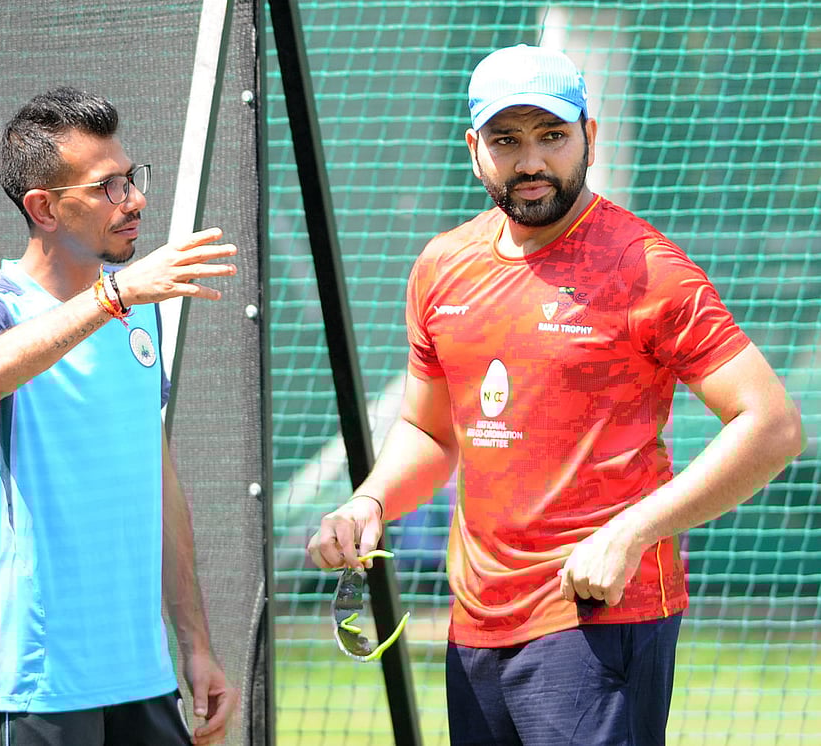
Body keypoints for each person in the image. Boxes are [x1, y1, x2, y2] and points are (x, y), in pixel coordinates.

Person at [307, 44, 804, 745]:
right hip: (476, 623)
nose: (531, 161)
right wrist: (370, 501)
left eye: (552, 136)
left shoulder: (646, 268)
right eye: (507, 140)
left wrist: (632, 533)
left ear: (589, 139)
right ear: (475, 149)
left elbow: (773, 426)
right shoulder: (442, 266)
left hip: (599, 616)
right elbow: (430, 432)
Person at [0, 87, 240, 746]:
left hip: (144, 674)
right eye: (108, 187)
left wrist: (195, 644)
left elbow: (157, 477)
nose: (134, 200)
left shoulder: (139, 312)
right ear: (44, 208)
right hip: (41, 679)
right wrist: (114, 296)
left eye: (131, 179)